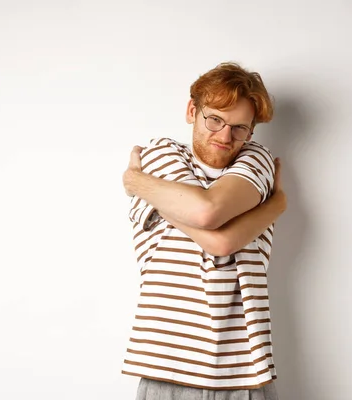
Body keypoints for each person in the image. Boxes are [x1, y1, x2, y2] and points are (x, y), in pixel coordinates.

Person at [121, 62, 287, 400]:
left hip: (244, 376)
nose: (225, 136)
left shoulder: (256, 160)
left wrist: (139, 185)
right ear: (192, 110)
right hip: (165, 370)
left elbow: (208, 216)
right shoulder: (160, 155)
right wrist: (275, 205)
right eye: (215, 119)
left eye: (240, 127)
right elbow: (215, 225)